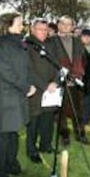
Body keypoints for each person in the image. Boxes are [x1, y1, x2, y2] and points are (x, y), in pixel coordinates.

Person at [0, 11, 36, 177]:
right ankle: (0, 176)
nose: (22, 26)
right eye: (19, 23)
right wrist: (25, 87)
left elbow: (24, 67)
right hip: (4, 97)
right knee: (2, 139)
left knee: (13, 134)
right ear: (7, 24)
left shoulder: (17, 42)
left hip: (16, 95)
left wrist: (28, 83)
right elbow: (6, 72)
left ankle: (11, 165)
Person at [24, 18, 58, 163]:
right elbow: (28, 70)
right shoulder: (26, 45)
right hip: (35, 90)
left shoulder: (50, 44)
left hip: (51, 90)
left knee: (48, 120)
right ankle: (32, 150)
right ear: (32, 29)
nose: (43, 32)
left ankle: (46, 145)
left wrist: (56, 82)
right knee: (33, 122)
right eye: (40, 29)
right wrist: (45, 85)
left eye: (45, 30)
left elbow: (57, 64)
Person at [49, 16, 85, 145]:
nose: (65, 27)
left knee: (78, 110)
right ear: (58, 25)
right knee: (61, 112)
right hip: (60, 81)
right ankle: (64, 136)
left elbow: (82, 60)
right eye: (63, 24)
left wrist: (79, 74)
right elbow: (50, 63)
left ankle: (81, 134)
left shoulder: (77, 41)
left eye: (69, 24)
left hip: (76, 81)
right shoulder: (51, 41)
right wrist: (57, 79)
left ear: (72, 27)